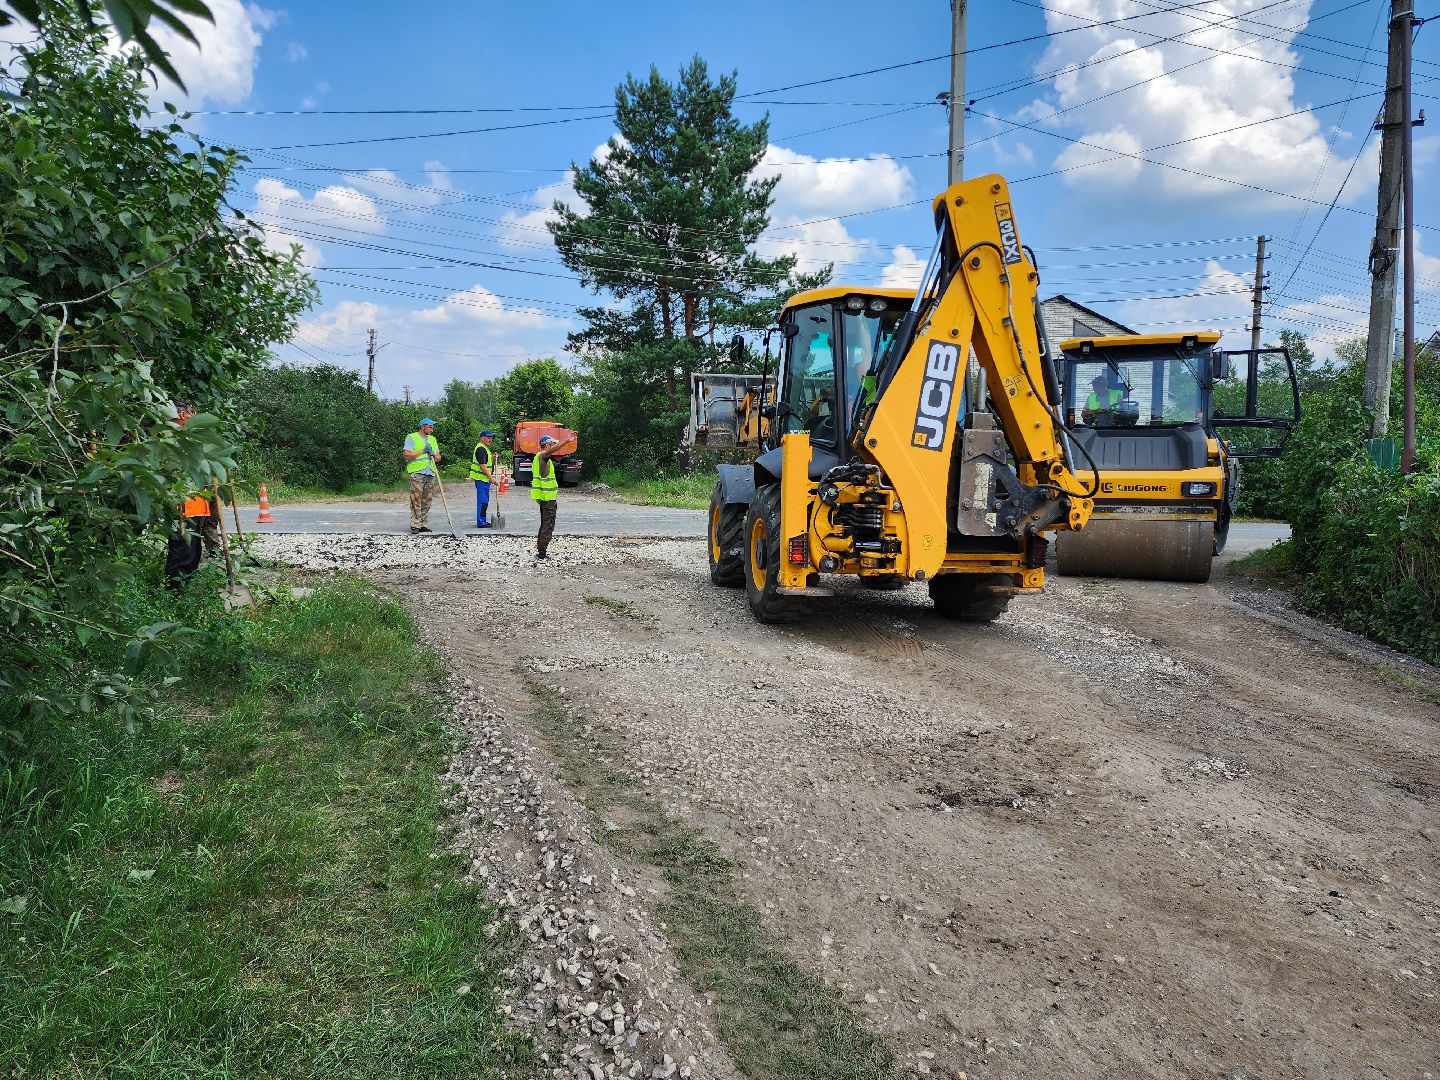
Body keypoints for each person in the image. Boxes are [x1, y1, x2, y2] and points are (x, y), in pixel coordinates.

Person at [531, 432, 575, 561]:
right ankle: (542, 554)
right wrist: (566, 441)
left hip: (544, 497)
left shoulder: (540, 458)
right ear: (547, 445)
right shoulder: (543, 456)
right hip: (547, 497)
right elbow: (551, 451)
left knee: (545, 523)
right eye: (552, 445)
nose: (554, 447)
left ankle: (541, 550)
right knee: (548, 525)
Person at [402, 418, 442, 534]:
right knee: (416, 500)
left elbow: (439, 457)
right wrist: (423, 451)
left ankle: (423, 524)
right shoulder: (412, 437)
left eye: (432, 427)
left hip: (430, 472)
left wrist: (433, 455)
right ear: (423, 426)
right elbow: (407, 455)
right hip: (417, 473)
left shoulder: (433, 440)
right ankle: (415, 525)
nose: (432, 429)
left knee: (427, 500)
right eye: (430, 427)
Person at [469, 429, 496, 528]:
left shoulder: (484, 448)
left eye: (491, 438)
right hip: (482, 479)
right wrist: (491, 478)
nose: (490, 440)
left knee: (484, 500)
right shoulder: (481, 449)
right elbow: (482, 466)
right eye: (488, 438)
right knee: (482, 501)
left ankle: (482, 520)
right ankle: (481, 522)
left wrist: (492, 457)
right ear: (482, 438)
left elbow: (485, 461)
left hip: (483, 479)